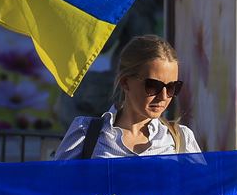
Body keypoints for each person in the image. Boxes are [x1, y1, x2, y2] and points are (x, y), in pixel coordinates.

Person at [54, 35, 200, 159]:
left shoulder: (181, 139)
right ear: (125, 82)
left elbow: (203, 191)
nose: (163, 96)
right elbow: (56, 188)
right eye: (153, 85)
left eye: (171, 87)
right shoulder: (84, 133)